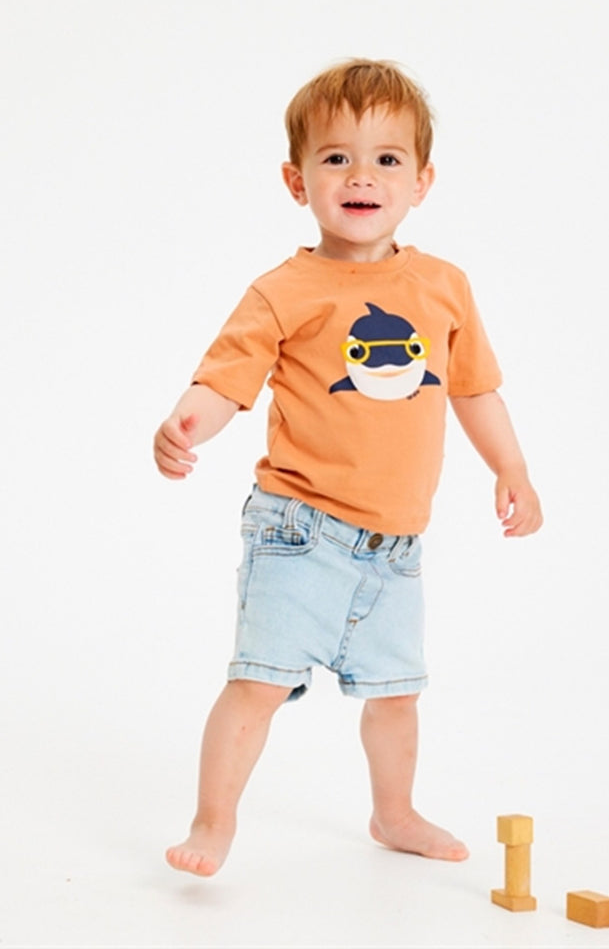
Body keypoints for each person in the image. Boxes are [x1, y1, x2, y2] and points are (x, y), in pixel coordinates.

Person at [153, 59, 543, 878]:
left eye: (386, 159)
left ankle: (393, 813)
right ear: (297, 181)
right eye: (336, 158)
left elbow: (474, 389)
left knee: (397, 694)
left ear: (421, 181)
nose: (362, 176)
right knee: (258, 683)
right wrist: (190, 421)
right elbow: (225, 380)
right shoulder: (284, 290)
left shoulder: (444, 286)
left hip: (396, 547)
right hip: (299, 531)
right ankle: (212, 822)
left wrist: (511, 466)